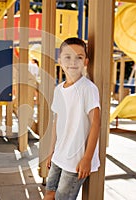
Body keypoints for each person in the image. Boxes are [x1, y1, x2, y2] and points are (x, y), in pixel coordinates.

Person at [44, 37, 101, 200]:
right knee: (49, 193)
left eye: (79, 57)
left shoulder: (88, 88)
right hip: (59, 154)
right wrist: (51, 151)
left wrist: (87, 158)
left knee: (63, 197)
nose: (73, 62)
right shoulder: (59, 89)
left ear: (86, 62)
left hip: (75, 159)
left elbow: (95, 124)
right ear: (60, 60)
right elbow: (57, 122)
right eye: (68, 56)